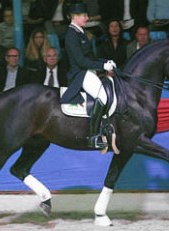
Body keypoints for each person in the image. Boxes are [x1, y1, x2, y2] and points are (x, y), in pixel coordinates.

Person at [60, 3, 116, 149]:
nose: (87, 17)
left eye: (86, 15)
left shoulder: (80, 32)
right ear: (75, 17)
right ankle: (93, 137)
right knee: (103, 96)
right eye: (84, 15)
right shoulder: (71, 34)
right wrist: (103, 67)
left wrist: (105, 61)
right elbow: (80, 60)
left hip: (87, 71)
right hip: (80, 74)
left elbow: (90, 57)